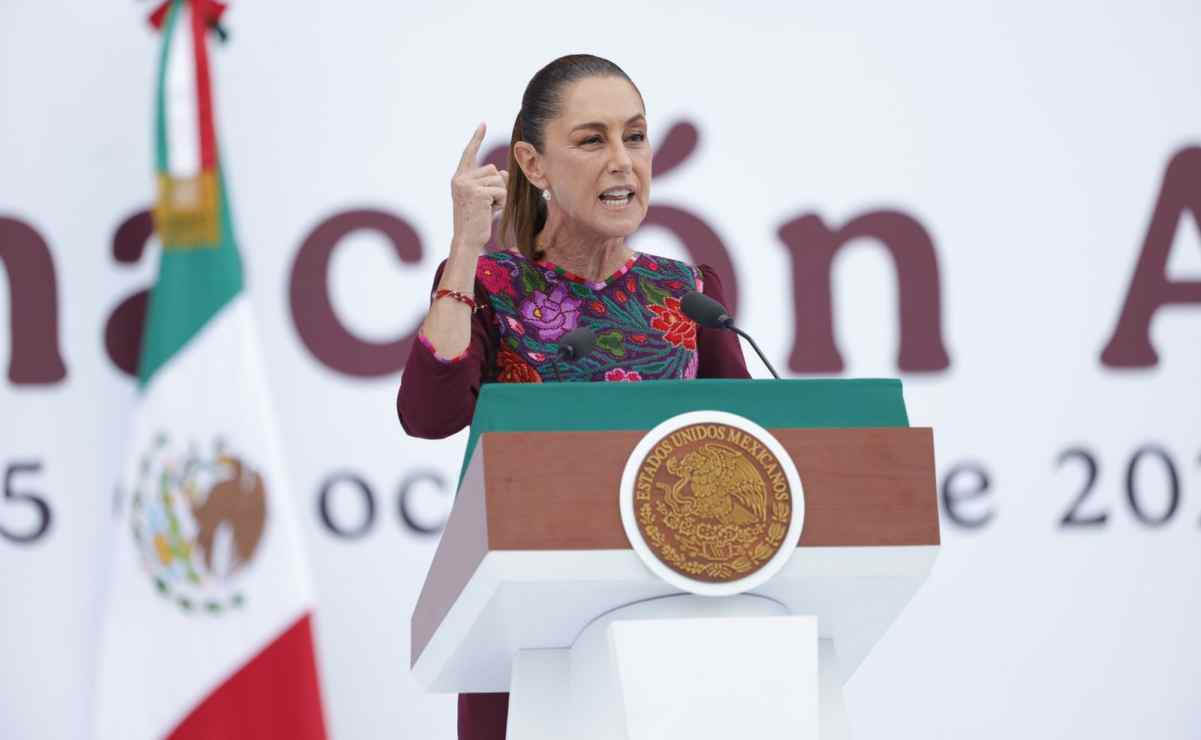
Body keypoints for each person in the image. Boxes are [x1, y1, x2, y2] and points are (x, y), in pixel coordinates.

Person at [396, 53, 749, 740]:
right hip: (525, 637)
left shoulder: (686, 291)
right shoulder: (488, 285)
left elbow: (746, 443)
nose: (622, 161)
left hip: (673, 634)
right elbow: (428, 415)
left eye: (635, 136)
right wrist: (464, 250)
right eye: (592, 140)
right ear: (533, 165)